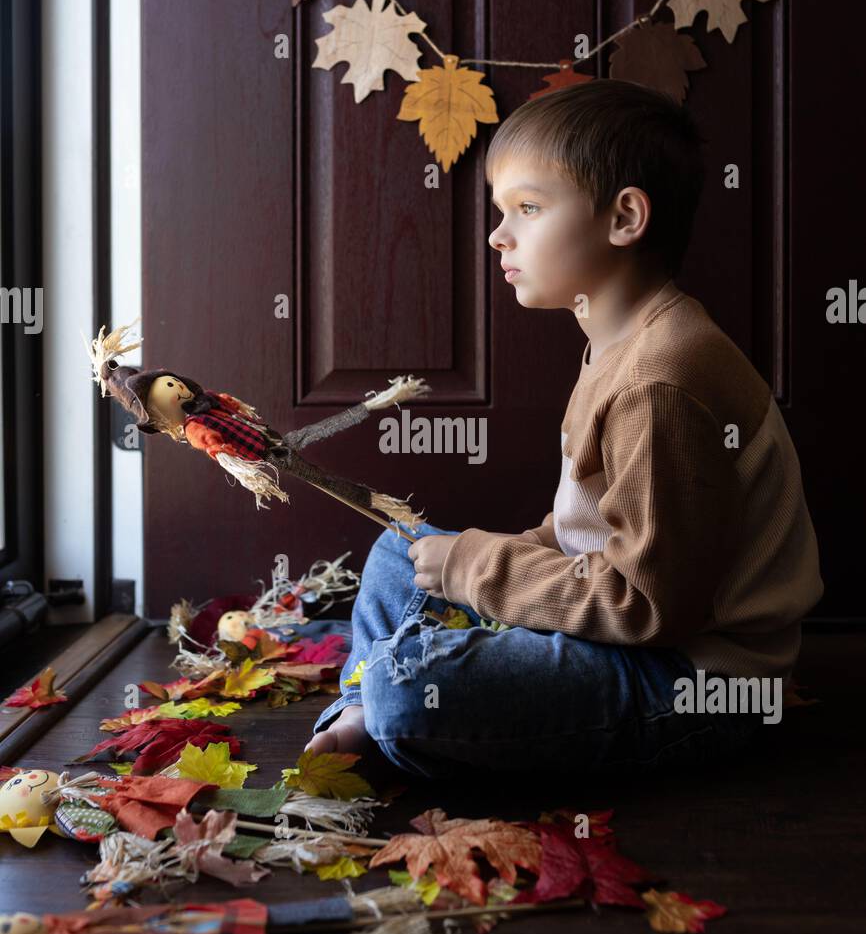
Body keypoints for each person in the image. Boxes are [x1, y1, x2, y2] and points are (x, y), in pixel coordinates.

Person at [304, 80, 824, 781]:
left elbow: (646, 606)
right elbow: (588, 533)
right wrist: (479, 558)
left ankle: (390, 702)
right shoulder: (618, 345)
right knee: (401, 551)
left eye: (529, 208)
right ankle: (376, 703)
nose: (499, 234)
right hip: (625, 634)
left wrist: (477, 567)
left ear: (625, 217)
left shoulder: (660, 380)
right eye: (502, 211)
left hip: (690, 681)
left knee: (406, 691)